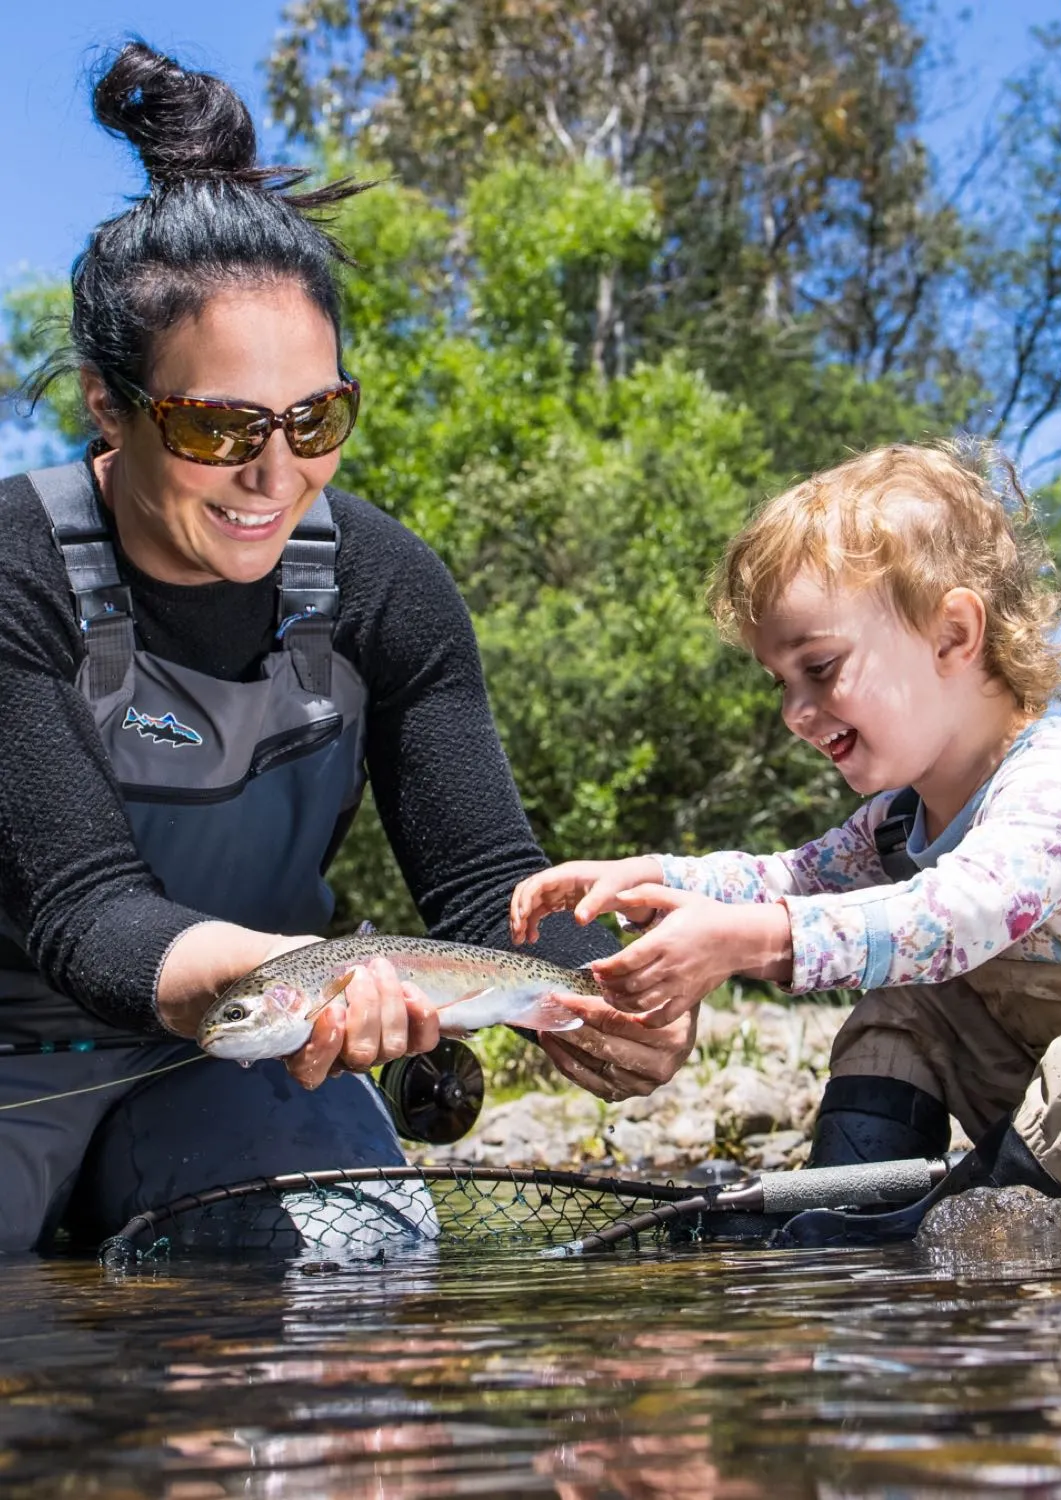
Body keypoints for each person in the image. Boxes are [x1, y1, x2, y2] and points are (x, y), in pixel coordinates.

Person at [0, 43, 691, 1256]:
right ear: (108, 405)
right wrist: (319, 973)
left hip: (248, 1063)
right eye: (219, 425)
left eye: (316, 418)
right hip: (25, 1050)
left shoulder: (383, 585)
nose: (277, 476)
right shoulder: (16, 569)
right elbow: (84, 912)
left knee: (349, 1273)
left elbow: (483, 886)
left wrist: (608, 993)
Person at [512, 442, 1061, 1210]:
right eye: (781, 682)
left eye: (818, 668)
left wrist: (745, 943)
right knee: (903, 1004)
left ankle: (985, 1218)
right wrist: (650, 877)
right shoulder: (899, 820)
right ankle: (843, 1214)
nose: (794, 710)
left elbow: (958, 914)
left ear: (952, 634)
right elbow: (791, 878)